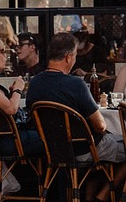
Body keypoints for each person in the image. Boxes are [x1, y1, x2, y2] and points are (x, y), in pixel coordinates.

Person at [26, 32, 126, 169]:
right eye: (75, 56)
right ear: (69, 57)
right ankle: (109, 191)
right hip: (84, 149)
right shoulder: (76, 84)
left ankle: (98, 191)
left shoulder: (35, 83)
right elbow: (100, 126)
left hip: (52, 150)